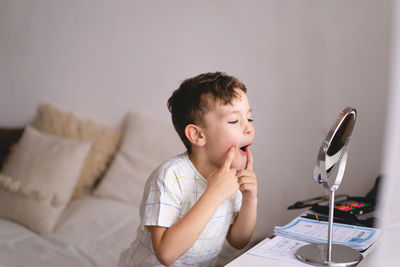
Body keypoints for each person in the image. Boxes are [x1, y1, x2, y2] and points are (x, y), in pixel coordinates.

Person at [118, 72, 257, 267]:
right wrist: (214, 194)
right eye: (234, 121)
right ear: (198, 135)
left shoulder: (230, 178)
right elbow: (166, 254)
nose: (249, 128)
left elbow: (238, 241)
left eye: (249, 119)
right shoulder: (169, 177)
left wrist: (250, 199)